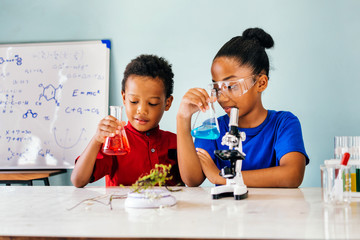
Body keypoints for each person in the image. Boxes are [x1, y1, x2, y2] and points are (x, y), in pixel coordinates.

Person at [177, 27, 309, 188]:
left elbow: (292, 175)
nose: (222, 97)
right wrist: (183, 118)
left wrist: (222, 177)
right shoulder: (212, 129)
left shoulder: (283, 124)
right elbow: (192, 180)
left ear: (261, 83)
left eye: (231, 86)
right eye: (217, 88)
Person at [71, 54, 183, 187]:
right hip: (122, 207)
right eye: (134, 101)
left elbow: (193, 182)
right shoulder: (114, 142)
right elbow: (78, 180)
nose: (142, 110)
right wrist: (96, 140)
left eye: (152, 103)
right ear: (124, 98)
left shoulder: (176, 142)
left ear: (168, 103)